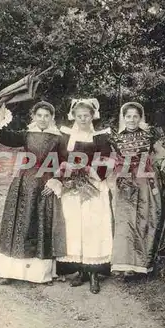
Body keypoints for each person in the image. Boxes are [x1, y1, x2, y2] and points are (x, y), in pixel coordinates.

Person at [0, 101, 67, 285]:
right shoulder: (26, 134)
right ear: (34, 116)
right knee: (19, 225)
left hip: (45, 184)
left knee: (41, 226)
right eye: (39, 115)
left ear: (52, 118)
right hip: (24, 183)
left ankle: (39, 273)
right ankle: (10, 271)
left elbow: (64, 162)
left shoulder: (59, 138)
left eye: (46, 116)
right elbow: (5, 138)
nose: (42, 119)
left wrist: (56, 180)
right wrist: (1, 120)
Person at [52, 98, 114, 294]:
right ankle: (81, 270)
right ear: (74, 116)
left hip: (93, 185)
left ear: (92, 115)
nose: (82, 119)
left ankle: (95, 272)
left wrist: (88, 170)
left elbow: (105, 159)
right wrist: (65, 169)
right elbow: (59, 157)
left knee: (92, 227)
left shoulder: (100, 137)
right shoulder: (66, 135)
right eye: (79, 116)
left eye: (86, 115)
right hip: (72, 186)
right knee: (74, 227)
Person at [110, 101, 165, 279]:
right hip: (125, 183)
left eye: (135, 116)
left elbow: (161, 153)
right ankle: (125, 264)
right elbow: (113, 161)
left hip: (146, 182)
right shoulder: (116, 138)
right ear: (123, 118)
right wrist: (121, 175)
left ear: (140, 118)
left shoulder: (148, 136)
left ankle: (142, 264)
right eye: (128, 116)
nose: (131, 120)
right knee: (125, 221)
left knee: (144, 220)